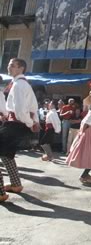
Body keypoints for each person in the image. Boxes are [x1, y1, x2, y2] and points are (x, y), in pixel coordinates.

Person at [0, 58, 39, 203]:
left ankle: (0, 192)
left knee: (5, 154)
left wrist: (30, 123)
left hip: (16, 124)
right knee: (7, 155)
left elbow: (21, 110)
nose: (9, 67)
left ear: (21, 68)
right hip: (16, 124)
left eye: (12, 65)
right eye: (9, 65)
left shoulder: (19, 85)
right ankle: (15, 184)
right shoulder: (21, 84)